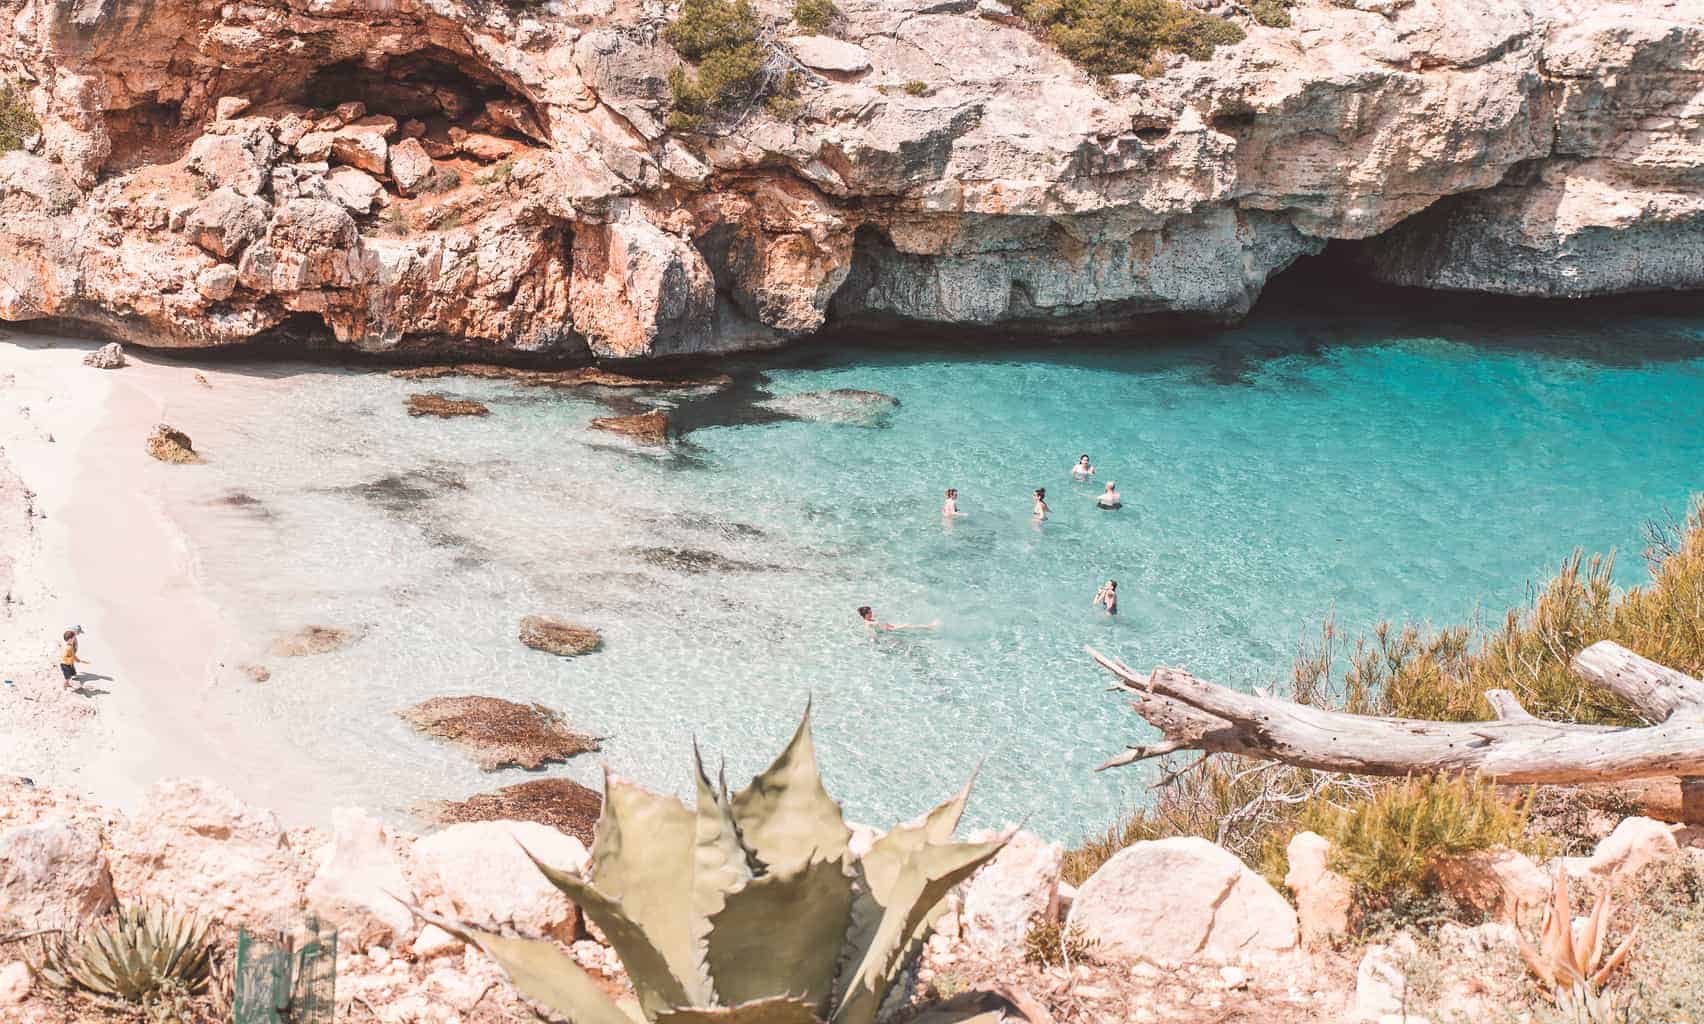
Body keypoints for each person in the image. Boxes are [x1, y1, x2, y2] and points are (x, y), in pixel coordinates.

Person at [858, 606, 938, 633]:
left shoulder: (871, 619)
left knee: (908, 625)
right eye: (870, 612)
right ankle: (929, 627)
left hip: (891, 628)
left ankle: (929, 627)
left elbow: (881, 624)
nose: (871, 613)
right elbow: (870, 633)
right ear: (865, 614)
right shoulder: (867, 624)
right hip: (890, 631)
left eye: (871, 612)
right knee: (908, 626)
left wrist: (889, 625)